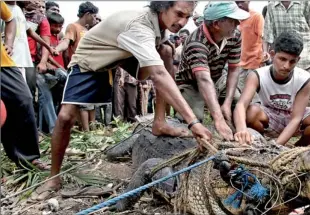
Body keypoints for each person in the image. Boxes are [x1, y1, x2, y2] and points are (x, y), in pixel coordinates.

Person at [31, 1, 212, 201]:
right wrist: (193, 122)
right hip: (91, 59)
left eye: (187, 16)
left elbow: (159, 66)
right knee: (65, 117)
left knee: (166, 51)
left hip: (119, 57)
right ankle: (53, 177)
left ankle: (159, 122)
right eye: (179, 14)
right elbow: (159, 74)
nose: (183, 22)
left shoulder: (162, 27)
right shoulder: (139, 25)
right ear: (162, 7)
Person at [233, 31, 310, 146]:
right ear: (272, 54)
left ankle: (297, 148)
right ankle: (260, 143)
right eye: (282, 59)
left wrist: (277, 146)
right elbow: (241, 105)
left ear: (298, 60)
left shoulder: (305, 79)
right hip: (269, 118)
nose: (286, 66)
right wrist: (242, 130)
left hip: (293, 119)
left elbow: (296, 118)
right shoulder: (257, 75)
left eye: (292, 61)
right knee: (251, 111)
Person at [175, 1, 250, 140]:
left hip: (217, 77)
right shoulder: (196, 42)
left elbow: (233, 69)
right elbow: (203, 79)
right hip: (192, 82)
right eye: (233, 20)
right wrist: (219, 119)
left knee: (241, 107)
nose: (238, 24)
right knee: (193, 120)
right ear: (216, 24)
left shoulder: (235, 35)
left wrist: (227, 103)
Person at [0, 1, 48, 171]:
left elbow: (10, 19)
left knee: (23, 100)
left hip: (3, 62)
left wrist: (9, 43)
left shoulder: (9, 7)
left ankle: (27, 158)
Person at [263, 1, 310, 107]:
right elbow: (267, 33)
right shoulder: (272, 6)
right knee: (287, 94)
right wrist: (265, 52)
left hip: (304, 57)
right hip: (283, 60)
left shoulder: (305, 3)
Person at [53, 1, 99, 131]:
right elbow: (66, 41)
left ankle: (92, 128)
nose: (95, 19)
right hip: (79, 66)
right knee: (82, 101)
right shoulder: (73, 26)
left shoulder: (88, 30)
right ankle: (85, 131)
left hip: (91, 67)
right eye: (94, 16)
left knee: (90, 100)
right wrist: (57, 49)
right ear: (87, 14)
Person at [235, 1, 265, 96]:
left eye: (242, 2)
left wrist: (264, 53)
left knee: (253, 93)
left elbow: (263, 37)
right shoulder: (236, 19)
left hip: (254, 61)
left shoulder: (256, 17)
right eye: (237, 2)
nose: (239, 5)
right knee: (241, 92)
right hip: (240, 62)